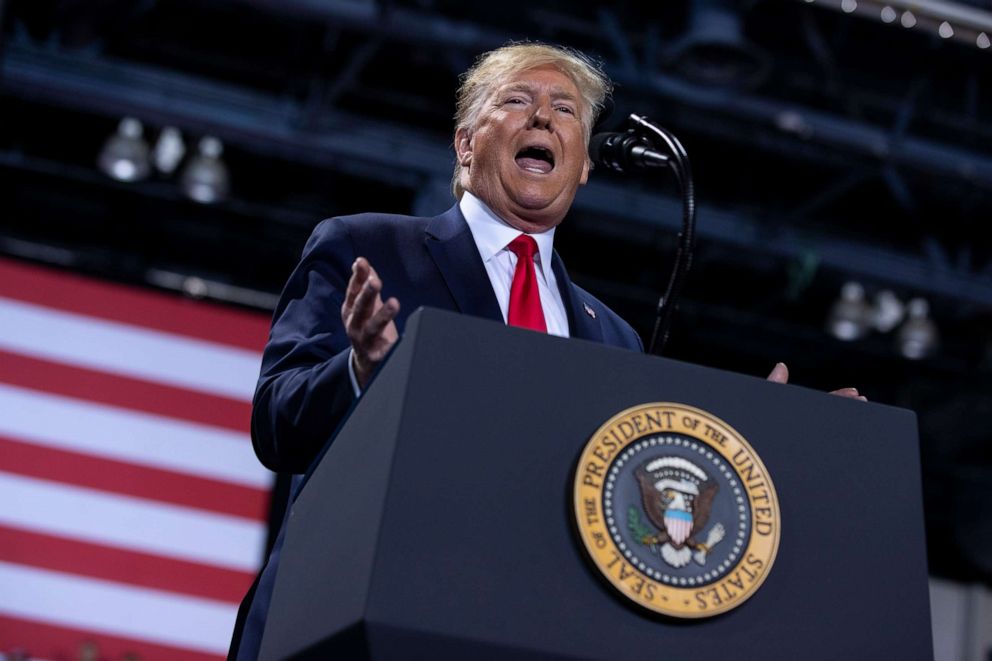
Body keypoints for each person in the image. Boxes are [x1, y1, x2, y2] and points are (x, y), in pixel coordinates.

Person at [230, 41, 864, 658]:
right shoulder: (368, 248)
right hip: (354, 620)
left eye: (566, 111)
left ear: (584, 163)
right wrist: (360, 370)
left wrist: (765, 444)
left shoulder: (613, 336)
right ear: (465, 142)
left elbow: (616, 508)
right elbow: (276, 425)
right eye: (516, 100)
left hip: (519, 629)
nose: (543, 117)